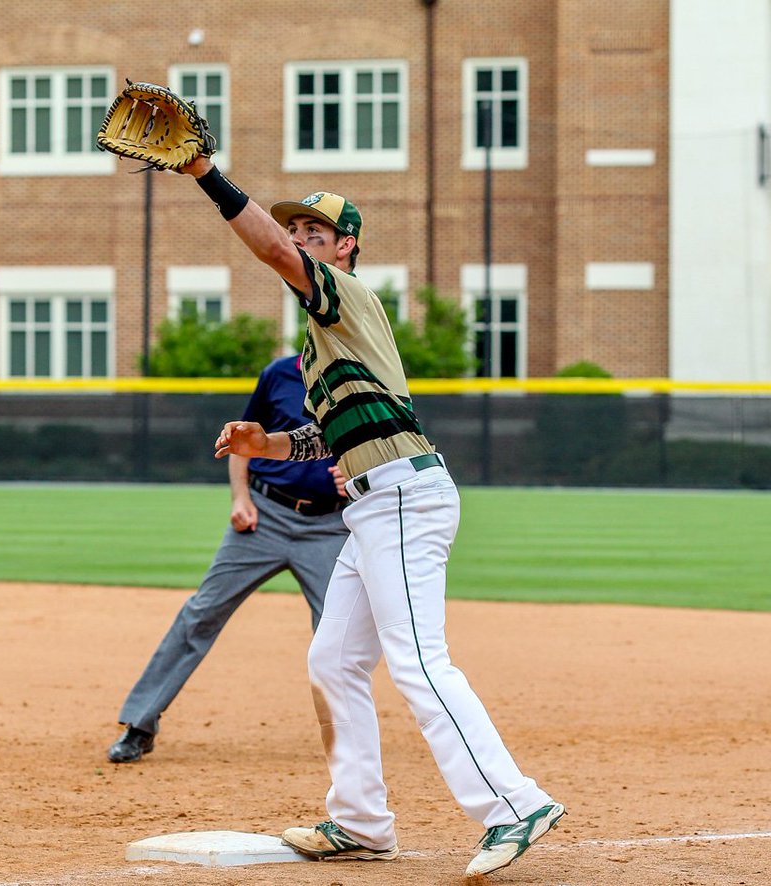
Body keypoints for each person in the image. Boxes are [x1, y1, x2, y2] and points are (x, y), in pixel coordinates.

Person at [179, 155, 564, 877]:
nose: (301, 235)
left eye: (315, 230)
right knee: (334, 659)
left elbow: (267, 249)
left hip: (401, 496)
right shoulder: (323, 339)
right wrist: (266, 442)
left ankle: (515, 805)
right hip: (369, 504)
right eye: (297, 226)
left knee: (419, 660)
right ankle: (361, 821)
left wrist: (208, 172)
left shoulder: (342, 294)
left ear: (346, 244)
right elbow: (330, 435)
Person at [107, 353, 350, 764]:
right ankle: (140, 724)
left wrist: (361, 473)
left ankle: (348, 740)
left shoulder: (365, 376)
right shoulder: (279, 375)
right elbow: (242, 443)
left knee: (338, 635)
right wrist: (240, 498)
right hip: (264, 517)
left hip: (329, 526)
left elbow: (391, 447)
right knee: (201, 612)